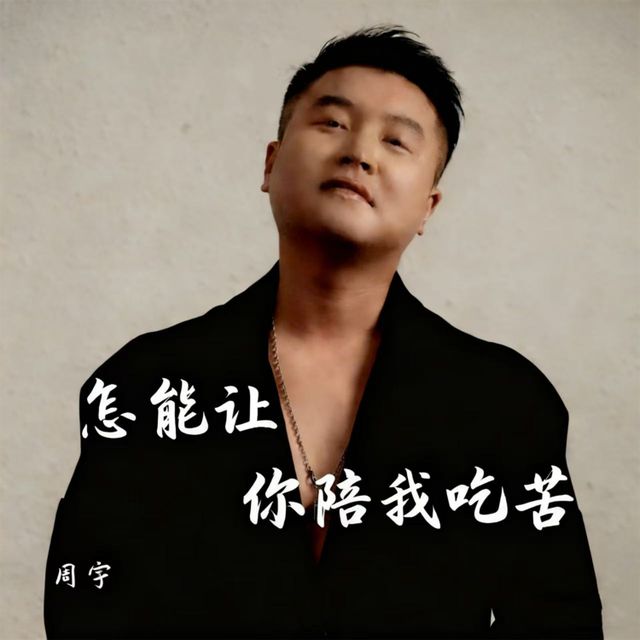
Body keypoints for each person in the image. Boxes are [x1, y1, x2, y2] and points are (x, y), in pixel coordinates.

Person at [44, 25, 603, 639]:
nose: (359, 152)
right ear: (271, 163)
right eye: (332, 123)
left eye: (396, 141)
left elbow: (559, 619)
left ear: (428, 207)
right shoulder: (145, 382)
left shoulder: (508, 405)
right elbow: (85, 597)